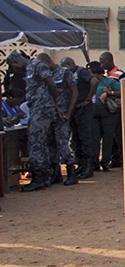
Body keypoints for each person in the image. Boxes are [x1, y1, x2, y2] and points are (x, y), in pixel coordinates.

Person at [7, 52, 61, 192]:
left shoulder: (37, 65)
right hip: (37, 108)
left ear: (16, 63)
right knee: (39, 143)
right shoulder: (31, 68)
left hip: (42, 108)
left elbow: (52, 85)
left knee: (35, 142)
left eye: (14, 68)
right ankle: (43, 177)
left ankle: (38, 178)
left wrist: (53, 104)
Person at [61, 57, 97, 180]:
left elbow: (94, 81)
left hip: (83, 108)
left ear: (69, 64)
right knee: (76, 138)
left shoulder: (81, 72)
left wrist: (88, 98)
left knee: (84, 137)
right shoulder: (68, 75)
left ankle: (88, 167)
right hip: (73, 109)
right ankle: (81, 164)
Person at [50, 56, 79, 185]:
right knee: (50, 144)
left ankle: (71, 172)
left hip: (62, 115)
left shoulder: (64, 73)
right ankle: (56, 173)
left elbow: (74, 92)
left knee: (62, 143)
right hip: (49, 114)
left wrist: (68, 112)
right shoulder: (45, 74)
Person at [91, 61, 122, 172]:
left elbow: (122, 92)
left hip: (108, 112)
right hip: (94, 112)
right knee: (94, 137)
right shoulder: (90, 83)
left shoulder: (110, 82)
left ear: (97, 74)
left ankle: (105, 162)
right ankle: (94, 163)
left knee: (108, 137)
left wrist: (110, 92)